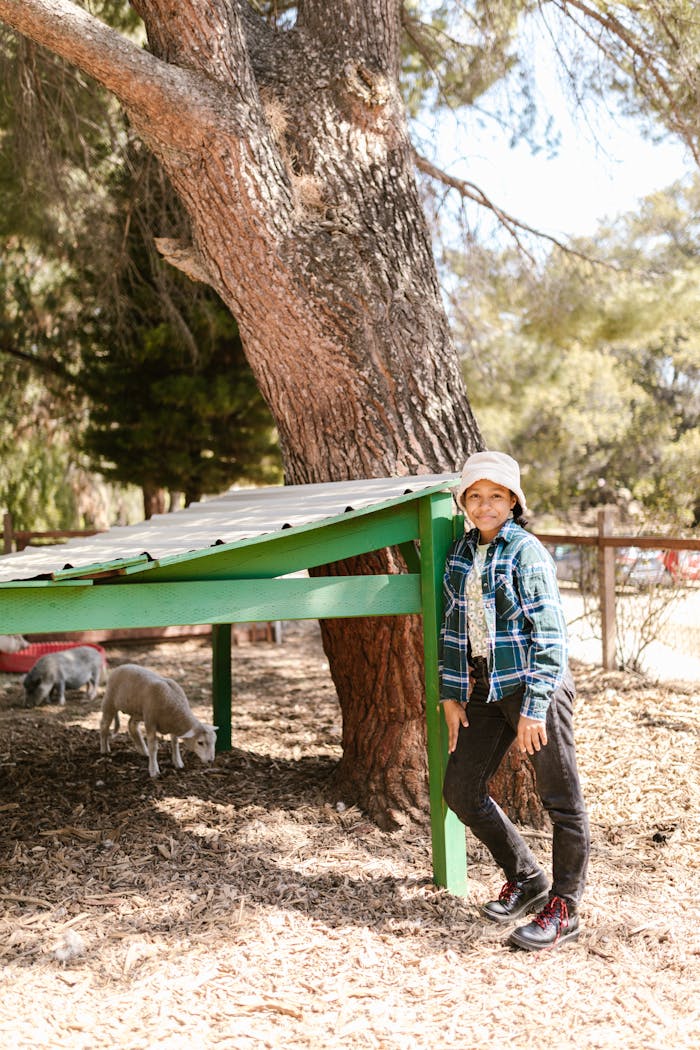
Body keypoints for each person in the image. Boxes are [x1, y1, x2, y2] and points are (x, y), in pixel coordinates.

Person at [440, 450, 590, 951]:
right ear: (464, 501)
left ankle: (565, 908)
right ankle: (527, 879)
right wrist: (451, 693)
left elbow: (550, 634)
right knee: (460, 790)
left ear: (512, 501)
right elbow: (451, 629)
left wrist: (535, 706)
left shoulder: (525, 551)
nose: (485, 505)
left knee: (560, 800)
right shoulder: (460, 552)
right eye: (475, 496)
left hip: (534, 685)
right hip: (484, 687)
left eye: (496, 496)